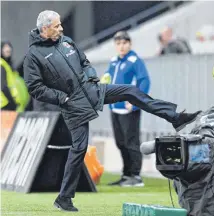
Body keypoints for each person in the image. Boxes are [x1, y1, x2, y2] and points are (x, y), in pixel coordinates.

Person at [24, 10, 201, 212]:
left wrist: (91, 78)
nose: (61, 28)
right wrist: (62, 98)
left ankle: (175, 117)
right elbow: (35, 88)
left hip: (92, 91)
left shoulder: (66, 41)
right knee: (79, 148)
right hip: (72, 104)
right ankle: (64, 198)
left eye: (60, 24)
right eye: (56, 26)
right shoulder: (33, 56)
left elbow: (84, 62)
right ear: (45, 28)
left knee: (131, 91)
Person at [101, 31, 151, 187]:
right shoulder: (114, 61)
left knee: (131, 142)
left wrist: (135, 102)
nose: (121, 46)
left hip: (129, 109)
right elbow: (109, 78)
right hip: (115, 108)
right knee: (120, 143)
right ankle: (126, 175)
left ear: (130, 44)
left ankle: (136, 177)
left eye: (124, 43)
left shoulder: (135, 60)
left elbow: (144, 81)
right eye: (118, 44)